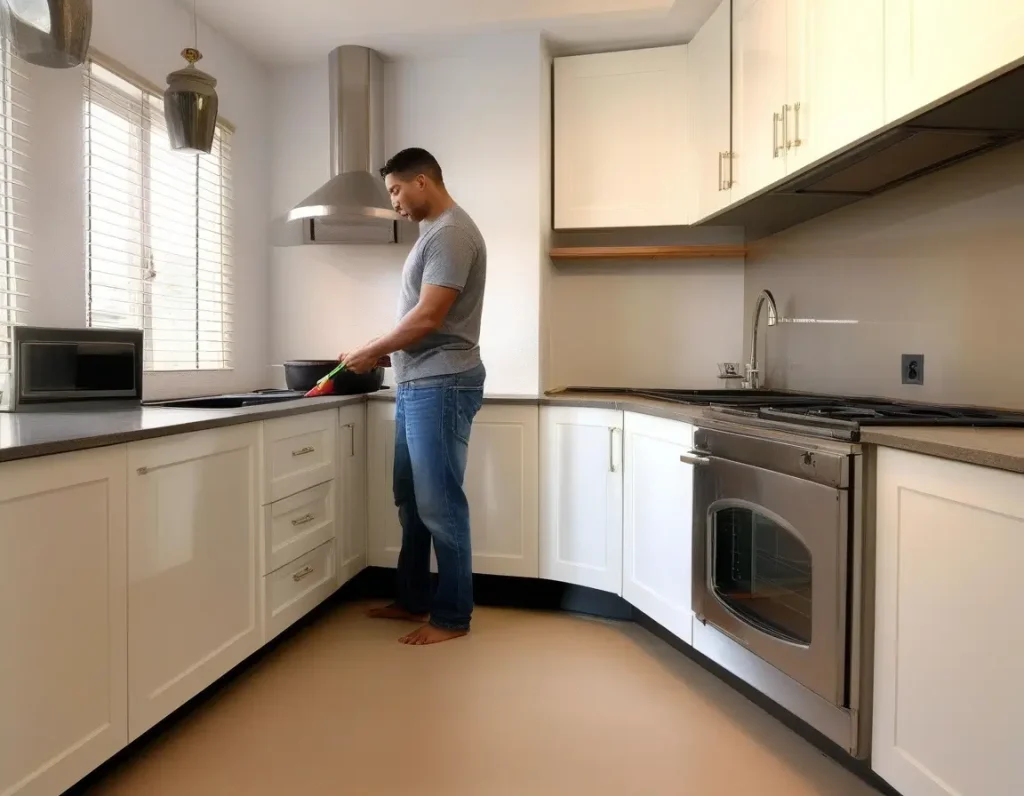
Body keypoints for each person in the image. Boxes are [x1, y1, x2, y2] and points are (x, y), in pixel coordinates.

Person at [339, 148, 487, 646]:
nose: (395, 204)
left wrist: (372, 348)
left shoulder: (451, 234)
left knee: (441, 505)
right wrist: (386, 357)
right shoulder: (433, 234)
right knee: (411, 498)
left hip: (442, 384)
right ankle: (413, 598)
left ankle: (451, 618)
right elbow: (424, 323)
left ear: (422, 181)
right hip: (420, 381)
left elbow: (429, 318)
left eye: (397, 192)